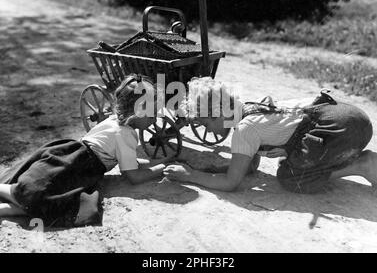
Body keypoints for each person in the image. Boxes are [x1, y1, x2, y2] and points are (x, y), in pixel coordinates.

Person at [0, 74, 171, 227]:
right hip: (78, 167)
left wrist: (160, 161)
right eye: (152, 114)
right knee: (46, 197)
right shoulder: (126, 135)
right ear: (137, 113)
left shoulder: (112, 121)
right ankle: (11, 197)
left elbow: (130, 162)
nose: (154, 118)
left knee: (49, 198)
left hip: (69, 153)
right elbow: (133, 176)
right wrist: (160, 170)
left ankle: (7, 208)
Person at [164, 77, 377, 194]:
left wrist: (191, 175)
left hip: (341, 129)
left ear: (218, 113)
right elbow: (250, 166)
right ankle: (350, 158)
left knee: (290, 178)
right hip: (349, 116)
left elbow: (231, 183)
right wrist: (218, 168)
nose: (207, 131)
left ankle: (361, 165)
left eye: (205, 123)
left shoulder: (243, 130)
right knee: (296, 158)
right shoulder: (249, 107)